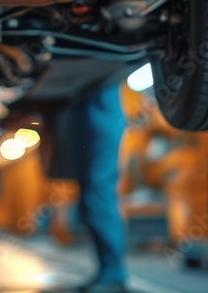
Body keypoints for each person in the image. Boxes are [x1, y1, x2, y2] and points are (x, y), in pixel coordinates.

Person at [72, 82, 128, 293]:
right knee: (91, 194)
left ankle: (113, 274)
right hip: (87, 114)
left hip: (101, 119)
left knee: (98, 193)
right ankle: (106, 271)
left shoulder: (104, 78)